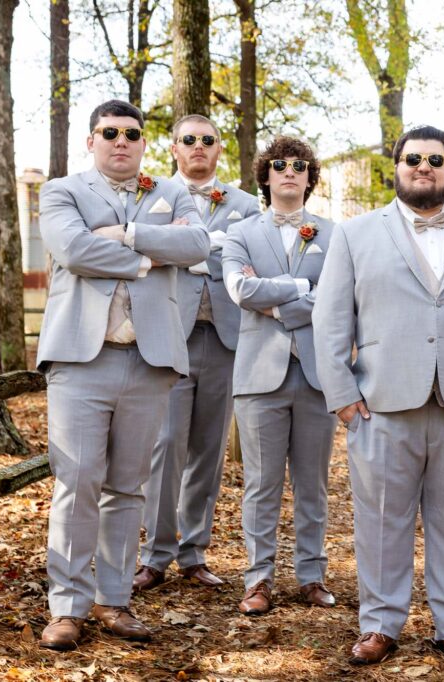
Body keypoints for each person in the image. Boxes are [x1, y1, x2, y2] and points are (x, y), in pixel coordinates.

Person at [313, 125, 444, 668]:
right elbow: (331, 318)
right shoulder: (355, 234)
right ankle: (381, 624)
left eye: (435, 159)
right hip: (382, 402)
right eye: (413, 158)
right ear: (397, 166)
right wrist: (341, 393)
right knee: (382, 519)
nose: (423, 166)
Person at [36, 99, 210, 650]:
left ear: (143, 142)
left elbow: (199, 244)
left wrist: (128, 236)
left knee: (126, 488)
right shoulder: (62, 191)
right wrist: (152, 255)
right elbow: (72, 249)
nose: (121, 141)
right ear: (91, 139)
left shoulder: (172, 192)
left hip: (150, 361)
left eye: (132, 133)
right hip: (82, 360)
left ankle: (113, 601)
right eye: (109, 132)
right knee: (78, 481)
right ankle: (67, 608)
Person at [135, 114, 260, 592]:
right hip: (169, 336)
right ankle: (156, 553)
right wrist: (200, 248)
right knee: (166, 446)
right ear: (173, 148)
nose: (198, 147)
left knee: (209, 450)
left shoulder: (247, 205)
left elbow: (250, 262)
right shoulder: (154, 197)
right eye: (189, 140)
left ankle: (194, 552)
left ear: (219, 148)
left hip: (225, 338)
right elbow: (149, 255)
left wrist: (191, 249)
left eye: (207, 140)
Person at [220, 137, 338, 616]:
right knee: (261, 483)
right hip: (258, 377)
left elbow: (337, 298)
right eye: (279, 165)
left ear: (310, 177)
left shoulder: (334, 235)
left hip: (316, 376)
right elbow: (239, 289)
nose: (289, 172)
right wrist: (300, 287)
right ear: (265, 176)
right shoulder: (241, 233)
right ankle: (258, 579)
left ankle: (312, 575)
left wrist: (275, 303)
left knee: (313, 485)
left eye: (299, 165)